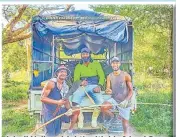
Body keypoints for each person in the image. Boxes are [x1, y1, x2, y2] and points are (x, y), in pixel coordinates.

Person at [68, 47, 105, 131]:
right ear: (81, 55)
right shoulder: (78, 66)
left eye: (86, 54)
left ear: (89, 54)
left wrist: (99, 85)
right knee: (74, 101)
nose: (85, 55)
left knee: (100, 102)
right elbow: (76, 79)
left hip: (94, 85)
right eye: (83, 54)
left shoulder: (96, 63)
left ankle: (94, 118)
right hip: (82, 86)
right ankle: (81, 118)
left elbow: (102, 76)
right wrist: (80, 83)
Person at [41, 65, 79, 137]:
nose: (63, 73)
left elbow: (65, 100)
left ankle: (69, 131)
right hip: (49, 112)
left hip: (58, 111)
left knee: (57, 132)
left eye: (65, 72)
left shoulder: (65, 86)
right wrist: (57, 102)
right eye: (61, 71)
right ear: (57, 73)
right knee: (50, 134)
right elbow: (42, 98)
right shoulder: (51, 83)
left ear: (66, 75)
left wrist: (69, 109)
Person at [101, 57, 133, 136]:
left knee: (125, 125)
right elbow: (108, 89)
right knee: (103, 107)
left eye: (116, 63)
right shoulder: (109, 76)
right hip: (114, 100)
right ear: (111, 64)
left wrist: (126, 100)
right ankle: (113, 117)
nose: (115, 65)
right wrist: (108, 90)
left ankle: (126, 134)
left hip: (125, 101)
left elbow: (131, 91)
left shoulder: (126, 75)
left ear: (119, 64)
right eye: (113, 63)